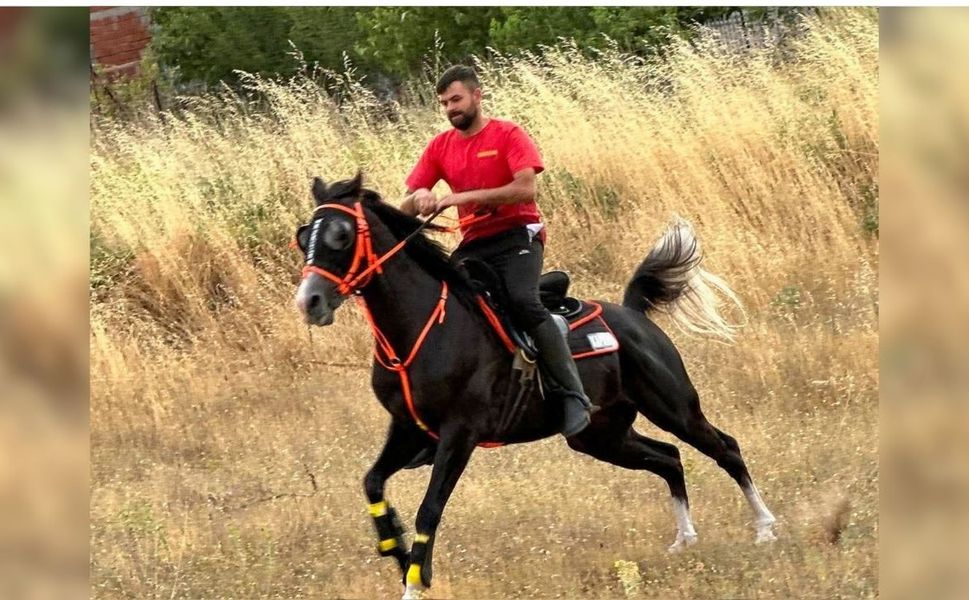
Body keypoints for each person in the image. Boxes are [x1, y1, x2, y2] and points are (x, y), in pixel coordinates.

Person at [401, 65, 592, 438]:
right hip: (474, 243)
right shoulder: (440, 147)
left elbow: (525, 190)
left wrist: (460, 198)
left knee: (522, 302)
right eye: (443, 103)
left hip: (519, 235)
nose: (450, 108)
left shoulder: (507, 134)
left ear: (477, 95)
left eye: (456, 99)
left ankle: (573, 395)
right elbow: (407, 205)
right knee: (444, 309)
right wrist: (419, 197)